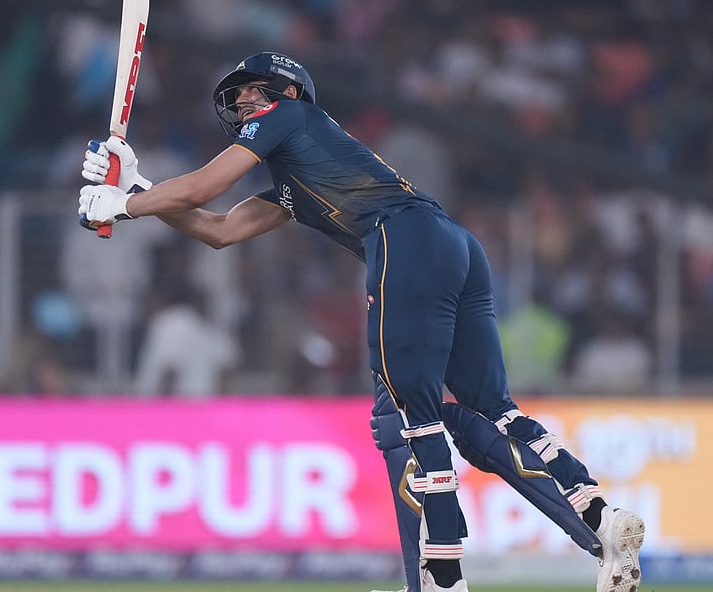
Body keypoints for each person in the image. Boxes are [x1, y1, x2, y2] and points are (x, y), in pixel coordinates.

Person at [79, 52, 644, 592]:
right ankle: (600, 518)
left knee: (403, 415)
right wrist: (138, 188)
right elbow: (218, 229)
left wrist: (119, 207)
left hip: (403, 238)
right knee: (489, 410)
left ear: (288, 90)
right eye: (241, 95)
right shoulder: (295, 179)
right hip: (453, 245)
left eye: (254, 88)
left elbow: (203, 185)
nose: (245, 100)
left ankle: (441, 577)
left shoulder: (289, 114)